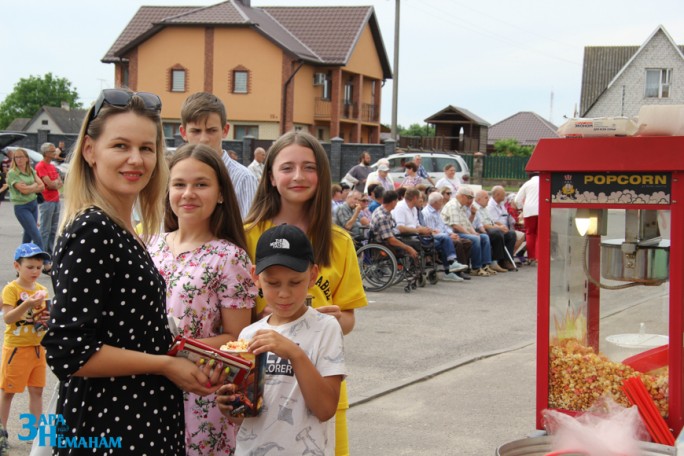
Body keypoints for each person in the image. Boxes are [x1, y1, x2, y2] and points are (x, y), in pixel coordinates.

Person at [41, 89, 221, 454]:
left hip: (140, 422)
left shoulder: (123, 228)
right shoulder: (92, 229)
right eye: (120, 146)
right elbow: (68, 351)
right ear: (90, 151)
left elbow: (126, 332)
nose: (136, 160)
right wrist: (165, 366)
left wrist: (183, 357)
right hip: (111, 426)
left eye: (147, 148)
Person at [243, 130, 367, 456]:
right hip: (261, 393)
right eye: (287, 167)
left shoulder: (339, 241)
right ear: (270, 175)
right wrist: (282, 322)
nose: (298, 176)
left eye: (309, 167)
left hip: (320, 391)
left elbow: (349, 318)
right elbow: (235, 323)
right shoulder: (245, 236)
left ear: (322, 175)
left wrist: (332, 320)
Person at [149, 143, 257, 455]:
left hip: (200, 397)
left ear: (221, 193)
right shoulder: (149, 245)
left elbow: (236, 339)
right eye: (179, 184)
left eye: (201, 184)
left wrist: (177, 352)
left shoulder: (229, 257)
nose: (188, 193)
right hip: (147, 386)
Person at [216, 224, 345, 455]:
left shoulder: (326, 328)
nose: (284, 293)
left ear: (313, 275)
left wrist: (295, 353)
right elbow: (243, 416)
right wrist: (230, 407)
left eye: (295, 282)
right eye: (273, 283)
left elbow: (325, 409)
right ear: (255, 277)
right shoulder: (248, 335)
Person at [1, 243, 51, 448]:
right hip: (17, 348)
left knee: (37, 390)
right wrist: (27, 304)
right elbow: (8, 318)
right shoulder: (11, 289)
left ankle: (37, 432)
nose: (35, 271)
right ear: (17, 266)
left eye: (39, 267)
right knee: (8, 391)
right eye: (30, 267)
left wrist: (47, 318)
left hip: (38, 348)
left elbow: (43, 320)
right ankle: (2, 431)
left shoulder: (41, 289)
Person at [180, 92, 258, 219]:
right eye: (196, 131)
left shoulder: (244, 179)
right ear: (183, 133)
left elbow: (248, 233)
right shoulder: (174, 177)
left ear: (225, 130)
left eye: (211, 131)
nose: (204, 139)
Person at [6, 148, 49, 273]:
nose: (18, 160)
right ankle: (46, 264)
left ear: (26, 158)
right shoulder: (13, 173)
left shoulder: (31, 171)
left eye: (21, 157)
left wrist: (31, 187)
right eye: (16, 157)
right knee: (37, 235)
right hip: (21, 207)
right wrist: (34, 187)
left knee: (27, 237)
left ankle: (19, 267)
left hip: (33, 204)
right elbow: (23, 190)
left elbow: (41, 186)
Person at [441, 186, 498, 277]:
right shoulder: (453, 205)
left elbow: (467, 224)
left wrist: (474, 232)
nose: (470, 200)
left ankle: (486, 265)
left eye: (472, 198)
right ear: (463, 196)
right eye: (469, 198)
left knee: (484, 236)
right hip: (452, 233)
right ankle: (476, 268)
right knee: (475, 239)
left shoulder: (461, 206)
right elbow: (455, 226)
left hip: (459, 231)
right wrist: (470, 234)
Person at [422, 192, 472, 280]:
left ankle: (460, 268)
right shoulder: (427, 214)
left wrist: (451, 233)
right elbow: (432, 232)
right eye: (441, 201)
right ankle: (454, 269)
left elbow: (444, 226)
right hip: (435, 237)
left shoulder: (437, 212)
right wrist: (448, 236)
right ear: (435, 202)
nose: (442, 203)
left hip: (444, 235)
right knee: (456, 243)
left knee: (467, 242)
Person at [474, 190, 516, 271]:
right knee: (497, 232)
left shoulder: (485, 208)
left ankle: (505, 260)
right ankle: (494, 261)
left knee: (511, 234)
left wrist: (501, 226)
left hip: (490, 227)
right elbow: (482, 224)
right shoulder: (476, 208)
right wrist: (498, 228)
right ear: (479, 199)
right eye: (486, 198)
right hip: (481, 229)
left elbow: (492, 222)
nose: (488, 199)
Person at [35, 143, 63, 253]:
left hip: (56, 200)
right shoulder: (40, 166)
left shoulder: (52, 166)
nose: (55, 152)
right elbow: (50, 184)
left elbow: (60, 183)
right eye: (52, 151)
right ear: (46, 153)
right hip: (46, 200)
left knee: (53, 230)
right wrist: (55, 183)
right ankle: (41, 253)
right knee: (45, 230)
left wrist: (55, 183)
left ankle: (49, 253)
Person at [488, 185, 525, 259]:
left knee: (521, 235)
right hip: (498, 228)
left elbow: (506, 215)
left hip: (506, 227)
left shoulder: (501, 204)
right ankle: (507, 258)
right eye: (503, 193)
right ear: (497, 195)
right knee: (512, 234)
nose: (505, 195)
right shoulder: (491, 206)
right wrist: (503, 226)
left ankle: (509, 256)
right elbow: (493, 221)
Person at [515, 173, 540, 265]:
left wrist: (522, 208)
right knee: (540, 234)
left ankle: (531, 257)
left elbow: (517, 199)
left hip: (529, 211)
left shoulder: (527, 184)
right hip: (542, 210)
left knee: (530, 234)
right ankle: (539, 257)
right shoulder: (545, 182)